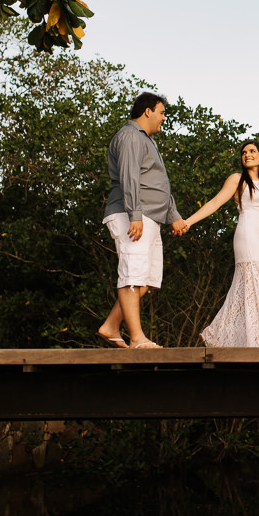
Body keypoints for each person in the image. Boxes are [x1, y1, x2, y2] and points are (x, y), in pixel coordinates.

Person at [182, 140, 259, 347]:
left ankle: (231, 335)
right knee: (253, 285)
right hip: (247, 236)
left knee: (254, 287)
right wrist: (188, 221)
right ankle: (256, 342)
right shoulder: (237, 179)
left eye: (252, 151)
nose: (247, 155)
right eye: (244, 152)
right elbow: (215, 202)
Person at [98, 92, 187, 349]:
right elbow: (130, 177)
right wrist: (134, 215)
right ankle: (137, 338)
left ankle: (110, 326)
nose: (163, 118)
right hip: (132, 215)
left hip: (149, 217)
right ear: (147, 111)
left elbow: (157, 182)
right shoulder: (129, 136)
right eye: (161, 112)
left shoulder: (147, 140)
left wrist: (174, 216)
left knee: (146, 279)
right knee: (132, 276)